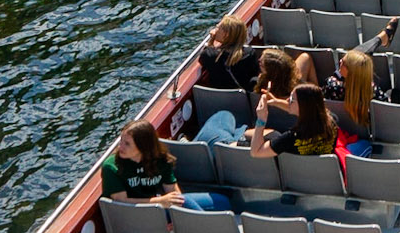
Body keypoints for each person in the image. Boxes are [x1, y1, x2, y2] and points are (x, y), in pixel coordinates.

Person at [103, 119, 231, 211]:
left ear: (143, 146)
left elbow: (173, 192)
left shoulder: (159, 159)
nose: (120, 147)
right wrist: (160, 202)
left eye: (127, 144)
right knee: (184, 202)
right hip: (136, 213)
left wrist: (175, 214)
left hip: (159, 206)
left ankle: (194, 224)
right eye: (121, 141)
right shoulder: (112, 167)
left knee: (222, 202)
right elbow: (121, 202)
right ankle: (208, 229)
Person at [325, 43, 389, 153]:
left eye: (343, 63)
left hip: (341, 133)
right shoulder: (373, 93)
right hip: (363, 137)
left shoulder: (332, 86)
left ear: (350, 72)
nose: (340, 62)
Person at [251, 83, 339, 157]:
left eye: (291, 99)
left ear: (302, 106)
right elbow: (307, 110)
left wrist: (261, 119)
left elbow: (256, 152)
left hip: (291, 176)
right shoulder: (332, 122)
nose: (287, 100)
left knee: (249, 135)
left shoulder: (291, 139)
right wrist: (275, 101)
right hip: (322, 173)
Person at [196, 14, 260, 93]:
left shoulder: (211, 56)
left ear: (226, 35)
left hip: (220, 102)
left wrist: (212, 40)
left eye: (218, 28)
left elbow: (203, 57)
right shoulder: (250, 53)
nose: (215, 30)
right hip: (244, 101)